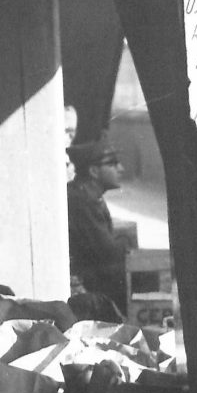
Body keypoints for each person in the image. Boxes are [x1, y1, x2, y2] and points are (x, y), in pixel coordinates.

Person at [66, 133, 129, 318]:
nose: (121, 168)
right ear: (93, 171)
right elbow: (108, 252)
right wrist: (126, 242)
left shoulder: (88, 194)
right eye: (112, 164)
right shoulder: (84, 201)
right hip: (84, 288)